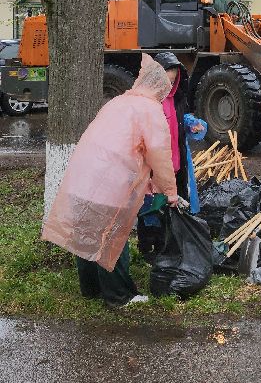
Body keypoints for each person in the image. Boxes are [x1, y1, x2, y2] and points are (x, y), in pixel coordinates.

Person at [42, 54, 178, 308]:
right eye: (167, 84)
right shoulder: (150, 110)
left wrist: (149, 183)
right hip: (111, 184)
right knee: (113, 238)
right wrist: (169, 191)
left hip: (84, 178)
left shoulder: (119, 101)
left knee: (86, 234)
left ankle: (91, 288)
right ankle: (119, 296)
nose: (168, 89)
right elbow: (159, 155)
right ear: (158, 84)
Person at [137, 50, 207, 263]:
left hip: (174, 165)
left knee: (170, 206)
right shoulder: (146, 103)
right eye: (166, 79)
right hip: (153, 167)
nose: (170, 84)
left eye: (173, 80)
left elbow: (181, 118)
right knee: (151, 207)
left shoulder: (176, 99)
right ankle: (149, 248)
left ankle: (168, 247)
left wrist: (192, 124)